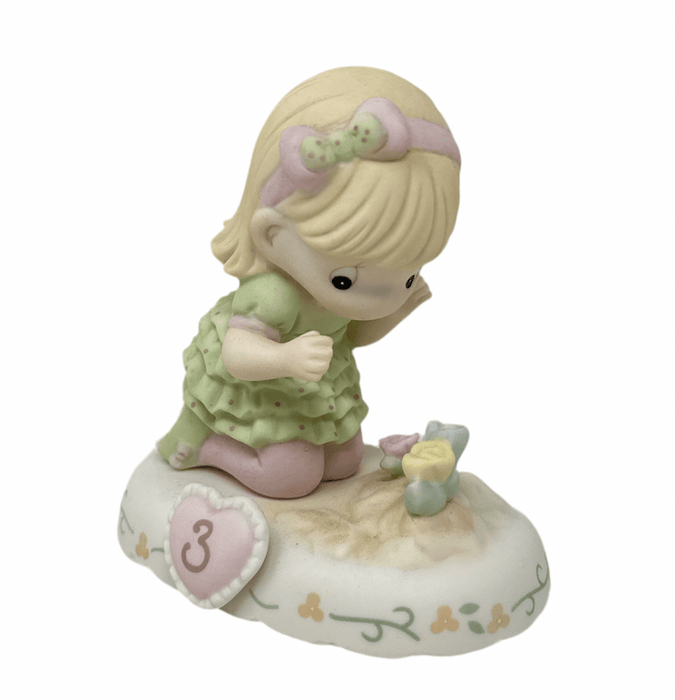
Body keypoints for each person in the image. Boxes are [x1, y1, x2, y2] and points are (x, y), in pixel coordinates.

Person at [157, 67, 461, 498]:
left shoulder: (344, 297)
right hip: (263, 394)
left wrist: (399, 311)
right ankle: (209, 446)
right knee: (291, 478)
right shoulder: (274, 297)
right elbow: (237, 354)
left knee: (345, 461)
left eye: (408, 273)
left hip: (314, 396)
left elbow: (355, 334)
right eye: (345, 280)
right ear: (271, 234)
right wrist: (284, 358)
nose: (379, 299)